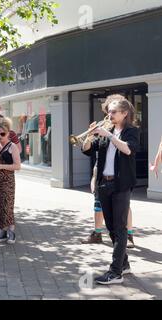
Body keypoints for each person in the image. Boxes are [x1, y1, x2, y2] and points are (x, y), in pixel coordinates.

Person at [82, 95, 139, 285]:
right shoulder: (107, 130)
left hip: (121, 184)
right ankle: (124, 265)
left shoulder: (132, 131)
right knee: (111, 227)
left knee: (120, 228)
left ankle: (115, 273)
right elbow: (89, 150)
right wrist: (89, 136)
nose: (109, 114)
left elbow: (128, 150)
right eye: (109, 111)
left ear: (124, 113)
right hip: (104, 184)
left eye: (114, 112)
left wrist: (110, 136)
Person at [82, 160, 135, 248]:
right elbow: (96, 168)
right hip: (103, 181)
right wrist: (94, 181)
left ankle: (129, 236)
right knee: (98, 206)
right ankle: (97, 234)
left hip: (120, 180)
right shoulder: (102, 148)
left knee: (125, 207)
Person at [0, 118, 21, 244]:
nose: (0, 136)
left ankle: (12, 232)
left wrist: (1, 166)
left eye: (2, 134)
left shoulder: (12, 146)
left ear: (8, 134)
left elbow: (17, 166)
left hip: (7, 181)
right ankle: (2, 232)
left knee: (7, 206)